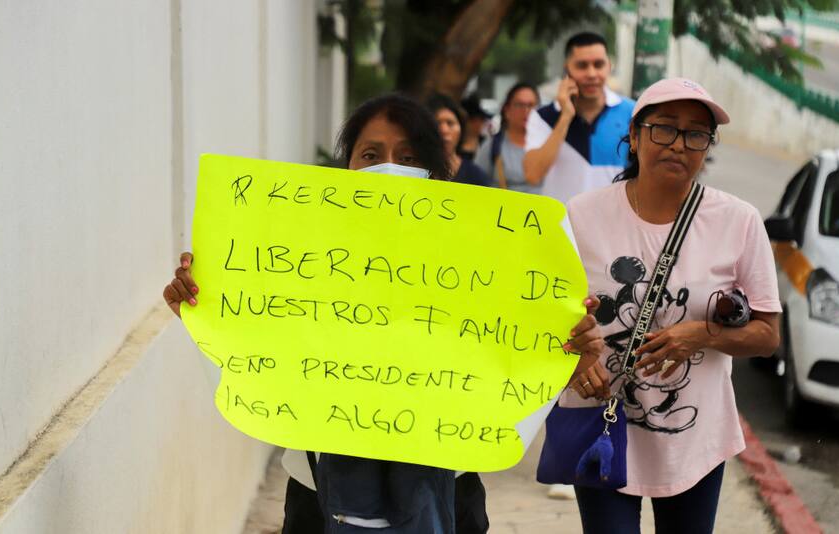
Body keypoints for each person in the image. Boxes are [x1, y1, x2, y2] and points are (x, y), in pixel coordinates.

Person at [162, 93, 602, 533]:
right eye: (370, 154)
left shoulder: (481, 262)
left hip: (448, 481)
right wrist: (203, 305)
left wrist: (569, 350)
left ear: (435, 171)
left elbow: (515, 354)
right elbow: (256, 330)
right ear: (348, 165)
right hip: (319, 487)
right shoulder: (299, 254)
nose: (388, 167)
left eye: (408, 156)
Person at [561, 78, 782, 534]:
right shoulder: (580, 215)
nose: (679, 144)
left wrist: (702, 333)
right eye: (664, 128)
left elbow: (768, 335)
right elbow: (548, 320)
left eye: (696, 134)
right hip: (601, 421)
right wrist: (577, 357)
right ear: (636, 136)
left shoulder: (738, 221)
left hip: (694, 439)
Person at [522, 31, 635, 204]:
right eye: (582, 65)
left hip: (613, 226)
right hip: (561, 227)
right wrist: (565, 116)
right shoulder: (542, 117)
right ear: (567, 69)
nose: (591, 73)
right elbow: (533, 175)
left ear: (609, 66)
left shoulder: (632, 112)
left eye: (598, 64)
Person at [474, 82, 541, 193]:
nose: (526, 111)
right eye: (520, 105)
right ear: (507, 110)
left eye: (531, 105)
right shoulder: (492, 146)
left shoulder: (550, 144)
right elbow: (475, 185)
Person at [427, 94, 492, 187]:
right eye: (437, 123)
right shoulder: (415, 171)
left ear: (461, 129)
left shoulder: (476, 177)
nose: (444, 130)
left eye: (450, 123)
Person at [459, 93, 492, 161]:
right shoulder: (453, 146)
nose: (482, 123)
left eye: (483, 119)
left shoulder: (488, 144)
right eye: (480, 119)